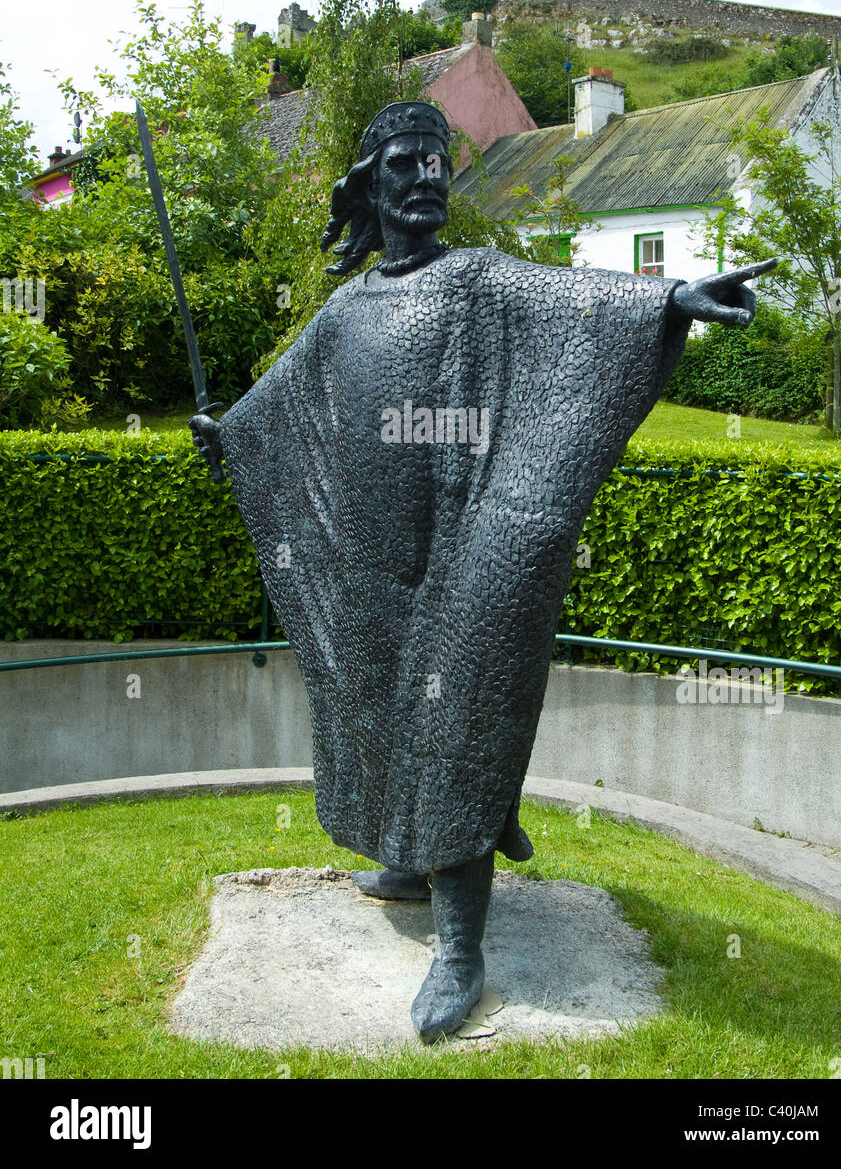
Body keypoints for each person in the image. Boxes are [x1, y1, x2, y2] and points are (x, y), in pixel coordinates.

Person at [190, 101, 773, 1042]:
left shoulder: (477, 283)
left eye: (436, 163)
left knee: (455, 716)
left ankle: (459, 947)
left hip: (464, 548)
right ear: (369, 187)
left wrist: (668, 299)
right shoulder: (344, 311)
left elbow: (574, 299)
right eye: (405, 165)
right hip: (375, 566)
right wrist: (230, 436)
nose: (426, 177)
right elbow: (279, 402)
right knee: (377, 707)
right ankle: (403, 858)